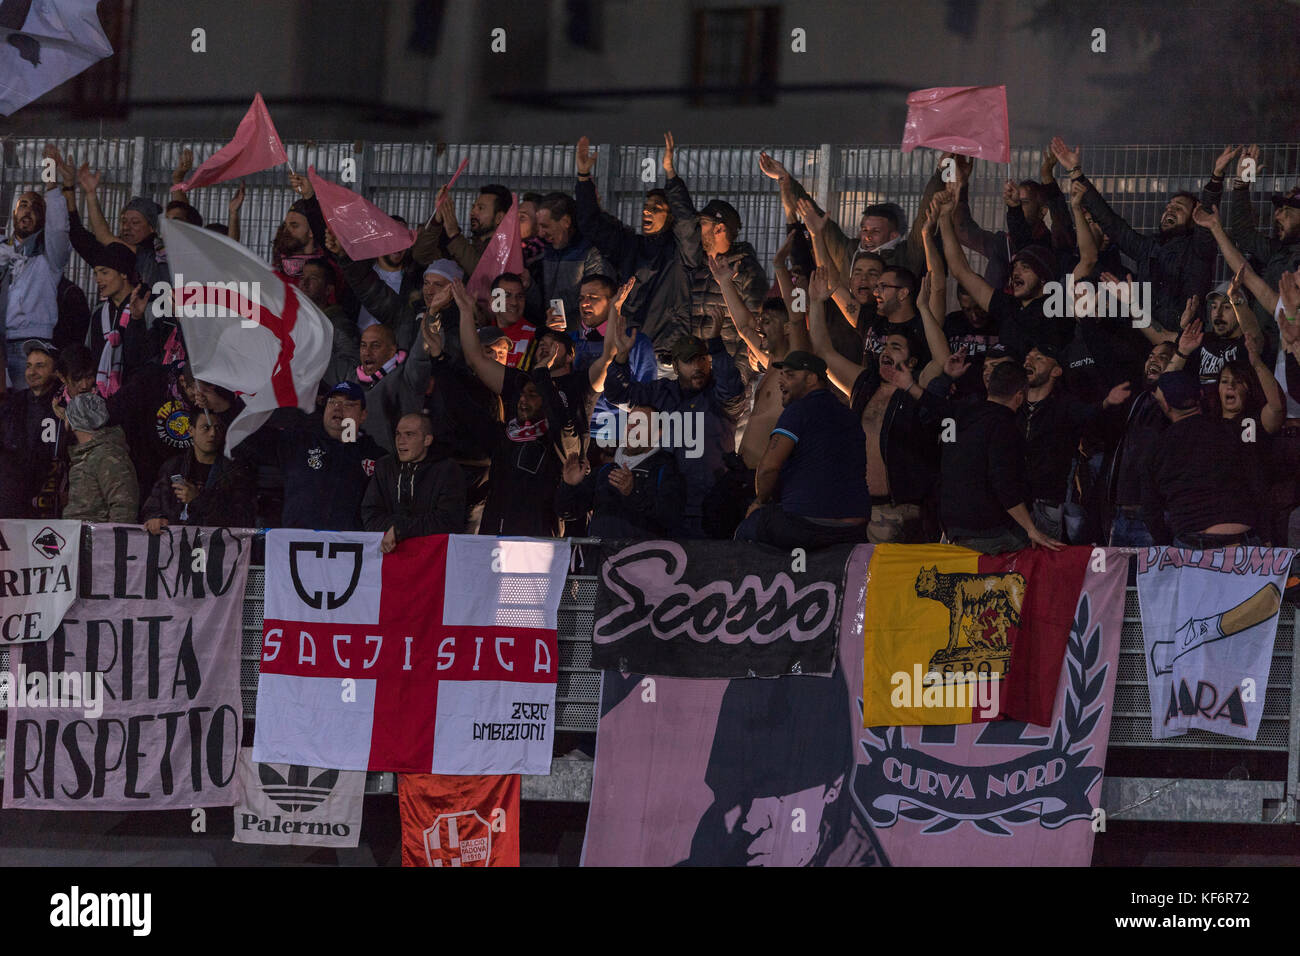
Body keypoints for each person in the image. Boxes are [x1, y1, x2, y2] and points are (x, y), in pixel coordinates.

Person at [603, 307, 745, 538]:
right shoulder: (661, 392)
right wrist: (621, 357)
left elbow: (731, 388)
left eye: (702, 359)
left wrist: (716, 344)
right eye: (689, 362)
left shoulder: (719, 396)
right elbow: (618, 393)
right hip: (662, 505)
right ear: (676, 367)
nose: (697, 367)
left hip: (710, 505)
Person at [1054, 138, 1216, 335]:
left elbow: (1207, 221)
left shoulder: (1199, 249)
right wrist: (1076, 173)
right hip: (1146, 337)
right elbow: (1113, 224)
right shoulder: (1148, 247)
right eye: (1168, 208)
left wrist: (1216, 180)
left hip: (1183, 338)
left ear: (1195, 218)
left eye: (1179, 208)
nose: (1170, 211)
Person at [456, 279, 578, 537]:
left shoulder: (577, 388)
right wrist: (466, 313)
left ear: (571, 355)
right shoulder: (519, 381)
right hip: (501, 507)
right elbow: (475, 359)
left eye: (553, 343)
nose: (545, 347)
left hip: (543, 513)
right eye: (541, 344)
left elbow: (608, 359)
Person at [734, 350, 871, 549]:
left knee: (748, 528)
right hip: (856, 524)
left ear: (812, 379)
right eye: (781, 375)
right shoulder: (848, 415)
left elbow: (768, 468)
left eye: (790, 375)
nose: (781, 381)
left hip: (807, 522)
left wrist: (760, 502)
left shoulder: (799, 410)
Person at [574, 134, 691, 350]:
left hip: (667, 356)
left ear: (671, 215)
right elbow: (591, 224)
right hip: (629, 348)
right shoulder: (630, 245)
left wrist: (671, 174)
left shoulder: (681, 251)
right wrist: (583, 177)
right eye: (646, 206)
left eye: (656, 207)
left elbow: (688, 222)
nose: (646, 210)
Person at [665, 133, 767, 374]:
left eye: (703, 224)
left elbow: (754, 328)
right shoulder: (696, 264)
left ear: (719, 229)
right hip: (692, 371)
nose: (697, 230)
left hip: (724, 373)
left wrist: (737, 376)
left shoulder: (746, 271)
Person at [937, 361, 1064, 553]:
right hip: (988, 532)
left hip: (953, 526)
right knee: (1043, 552)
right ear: (1020, 396)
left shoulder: (959, 415)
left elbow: (947, 462)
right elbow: (1004, 483)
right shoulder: (1004, 426)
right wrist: (1031, 530)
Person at [235, 381, 384, 531]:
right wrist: (226, 407)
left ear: (363, 415)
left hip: (352, 549)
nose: (338, 408)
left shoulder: (377, 457)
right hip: (298, 547)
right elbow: (248, 436)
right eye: (332, 402)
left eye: (349, 404)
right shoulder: (298, 442)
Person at [1019, 342, 1131, 541]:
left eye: (1039, 358)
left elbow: (1088, 413)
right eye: (1028, 357)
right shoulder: (1014, 403)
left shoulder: (1065, 404)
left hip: (1047, 499)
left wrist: (1106, 402)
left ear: (1056, 371)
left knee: (1044, 559)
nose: (1029, 361)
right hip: (1014, 499)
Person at [1146, 368, 1262, 548]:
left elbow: (1151, 510)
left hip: (1191, 542)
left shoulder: (1156, 447)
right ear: (1200, 394)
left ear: (1166, 406)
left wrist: (1165, 543)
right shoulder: (1233, 430)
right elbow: (1257, 483)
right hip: (1241, 539)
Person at [555, 405, 686, 539]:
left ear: (657, 433)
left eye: (640, 423)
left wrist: (633, 493)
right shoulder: (605, 470)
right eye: (629, 422)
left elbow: (671, 519)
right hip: (600, 557)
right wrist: (569, 486)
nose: (631, 428)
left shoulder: (666, 469)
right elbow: (567, 512)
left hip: (643, 557)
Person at [1100, 341, 1177, 547]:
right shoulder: (1138, 399)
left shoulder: (1172, 404)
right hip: (1120, 513)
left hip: (1153, 517)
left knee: (1154, 580)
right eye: (1151, 356)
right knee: (1119, 580)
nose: (1153, 360)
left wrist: (1183, 354)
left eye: (1163, 357)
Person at [1, 157, 69, 387]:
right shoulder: (3, 249)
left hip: (32, 347)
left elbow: (59, 229)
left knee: (28, 415)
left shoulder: (50, 256)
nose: (28, 212)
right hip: (1, 343)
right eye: (23, 205)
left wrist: (51, 185)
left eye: (36, 208)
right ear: (13, 213)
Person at [361, 412, 467, 550]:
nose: (401, 440)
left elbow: (448, 520)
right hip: (389, 556)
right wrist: (394, 530)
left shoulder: (448, 470)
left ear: (427, 440)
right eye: (398, 434)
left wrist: (400, 530)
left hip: (433, 558)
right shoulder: (384, 466)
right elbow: (370, 514)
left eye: (409, 434)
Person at [142, 410, 255, 531]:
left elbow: (243, 518)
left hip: (216, 545)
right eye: (206, 428)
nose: (212, 433)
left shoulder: (235, 471)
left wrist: (198, 499)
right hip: (175, 544)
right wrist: (155, 518)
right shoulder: (173, 466)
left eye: (217, 428)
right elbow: (152, 506)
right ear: (191, 430)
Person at [528, 191, 612, 328]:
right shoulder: (546, 253)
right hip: (555, 335)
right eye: (539, 226)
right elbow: (541, 304)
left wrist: (569, 328)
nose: (540, 233)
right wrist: (529, 286)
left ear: (566, 222)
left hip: (580, 339)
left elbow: (598, 307)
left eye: (545, 226)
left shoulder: (591, 253)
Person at [0, 339, 65, 518]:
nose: (32, 372)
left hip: (49, 500)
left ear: (55, 372)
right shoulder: (13, 404)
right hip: (13, 500)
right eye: (29, 366)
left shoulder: (66, 405)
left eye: (40, 366)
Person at [63, 391, 138, 522]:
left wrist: (109, 541)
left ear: (72, 421)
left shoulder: (107, 455)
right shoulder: (86, 455)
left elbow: (124, 507)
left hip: (97, 539)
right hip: (76, 536)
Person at [414, 183, 512, 278]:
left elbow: (482, 274)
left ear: (499, 217)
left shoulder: (506, 252)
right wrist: (436, 221)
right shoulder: (462, 246)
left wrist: (454, 234)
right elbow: (421, 256)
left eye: (480, 208)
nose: (473, 212)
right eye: (473, 207)